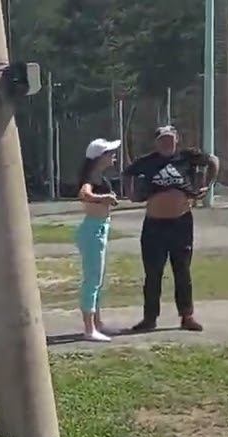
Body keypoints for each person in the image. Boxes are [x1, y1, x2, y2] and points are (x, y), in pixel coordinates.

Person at [122, 126, 219, 333]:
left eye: (170, 139)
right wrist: (131, 194)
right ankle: (149, 318)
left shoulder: (187, 158)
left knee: (182, 270)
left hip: (181, 223)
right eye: (162, 139)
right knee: (153, 273)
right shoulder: (147, 162)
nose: (166, 143)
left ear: (177, 140)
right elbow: (127, 173)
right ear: (156, 142)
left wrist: (207, 185)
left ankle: (187, 316)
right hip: (154, 225)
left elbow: (213, 161)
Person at [75, 138, 122, 342]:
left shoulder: (98, 176)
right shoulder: (90, 177)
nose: (113, 156)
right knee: (92, 281)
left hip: (100, 228)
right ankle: (89, 328)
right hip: (93, 230)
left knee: (98, 280)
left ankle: (98, 323)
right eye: (109, 153)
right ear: (99, 157)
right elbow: (84, 194)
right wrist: (104, 198)